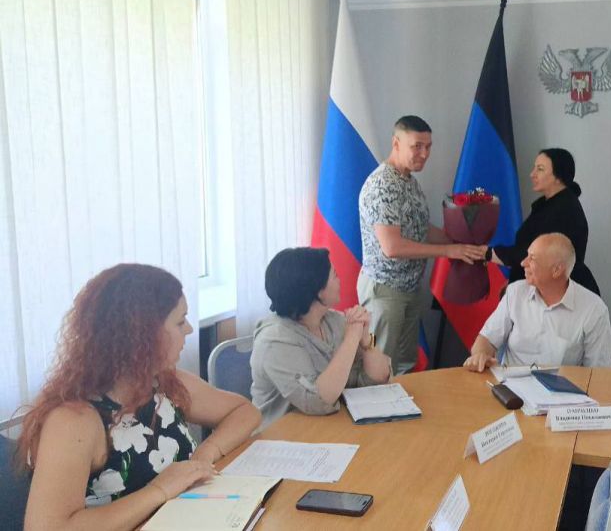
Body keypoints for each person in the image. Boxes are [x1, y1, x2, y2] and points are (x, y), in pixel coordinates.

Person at [17, 264, 261, 530]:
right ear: (142, 334)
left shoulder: (163, 383)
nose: (190, 329)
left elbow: (245, 412)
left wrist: (206, 453)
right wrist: (159, 491)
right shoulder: (73, 419)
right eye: (180, 322)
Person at [358, 115, 486, 373]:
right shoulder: (383, 185)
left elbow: (420, 229)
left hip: (408, 289)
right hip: (386, 291)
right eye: (417, 146)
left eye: (428, 146)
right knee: (377, 368)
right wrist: (449, 251)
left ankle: (401, 402)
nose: (425, 154)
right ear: (396, 143)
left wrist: (460, 242)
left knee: (405, 365)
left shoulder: (409, 181)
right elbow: (392, 247)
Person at [251, 247, 392, 429]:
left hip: (331, 427)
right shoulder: (274, 341)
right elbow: (318, 402)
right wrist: (352, 338)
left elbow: (380, 377)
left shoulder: (334, 320)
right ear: (318, 291)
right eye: (334, 275)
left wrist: (367, 340)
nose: (339, 279)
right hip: (283, 436)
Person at [464, 233, 611, 372]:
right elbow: (487, 339)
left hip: (561, 391)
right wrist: (480, 355)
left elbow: (602, 374)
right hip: (509, 388)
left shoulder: (593, 309)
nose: (523, 263)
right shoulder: (516, 292)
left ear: (556, 270)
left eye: (532, 258)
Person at [489, 148, 601, 296]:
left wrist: (488, 254)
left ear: (558, 176)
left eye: (540, 169)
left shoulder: (564, 210)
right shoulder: (551, 204)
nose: (532, 174)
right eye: (534, 168)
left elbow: (536, 254)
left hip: (560, 296)